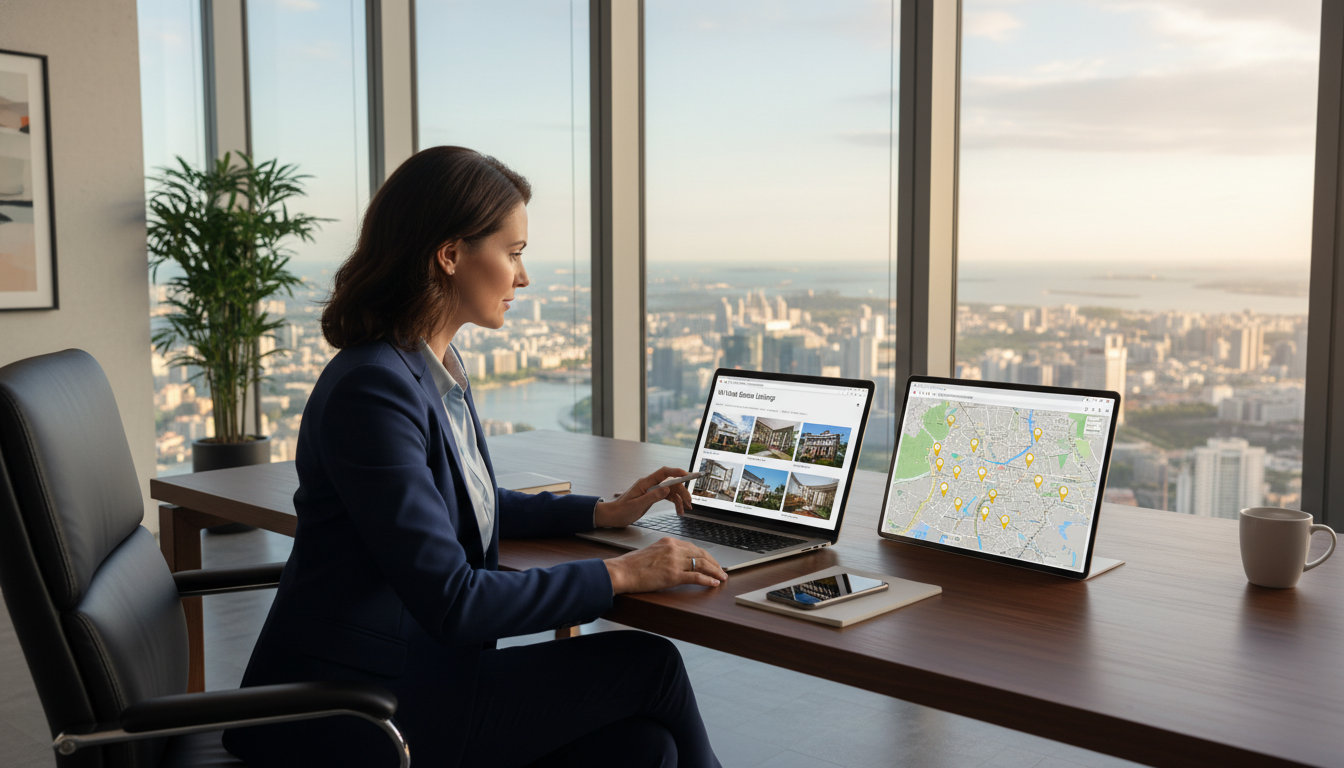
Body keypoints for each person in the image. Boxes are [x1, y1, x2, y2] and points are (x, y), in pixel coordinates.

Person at [223, 147, 727, 768]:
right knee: (651, 665)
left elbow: (462, 508)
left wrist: (601, 513)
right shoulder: (373, 390)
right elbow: (453, 600)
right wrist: (623, 573)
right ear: (450, 254)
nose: (523, 277)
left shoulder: (427, 369)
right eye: (513, 253)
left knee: (645, 749)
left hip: (412, 674)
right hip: (357, 710)